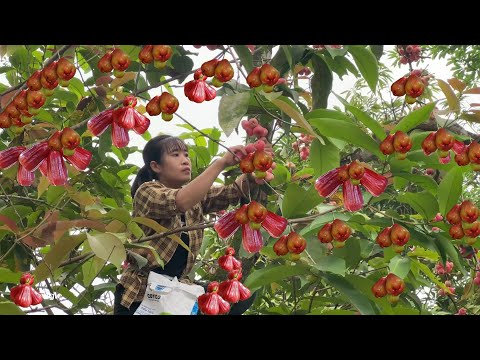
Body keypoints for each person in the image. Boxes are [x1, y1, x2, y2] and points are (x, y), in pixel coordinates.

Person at [113, 134, 266, 315]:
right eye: (176, 155)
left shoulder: (196, 198)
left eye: (186, 154)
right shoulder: (146, 191)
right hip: (140, 294)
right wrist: (220, 163)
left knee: (243, 294)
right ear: (156, 166)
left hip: (175, 291)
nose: (185, 160)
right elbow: (181, 202)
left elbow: (232, 192)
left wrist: (257, 164)